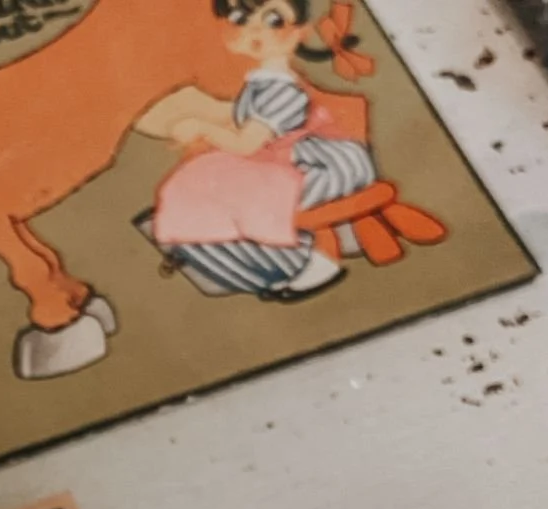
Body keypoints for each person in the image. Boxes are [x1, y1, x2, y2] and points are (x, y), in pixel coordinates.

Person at [142, 0, 378, 299]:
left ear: (299, 33)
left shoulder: (282, 90)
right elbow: (245, 127)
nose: (254, 28)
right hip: (285, 159)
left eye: (275, 20)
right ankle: (270, 265)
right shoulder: (261, 82)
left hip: (326, 166)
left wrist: (201, 127)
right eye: (240, 18)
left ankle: (314, 260)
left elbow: (246, 143)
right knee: (196, 183)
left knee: (231, 195)